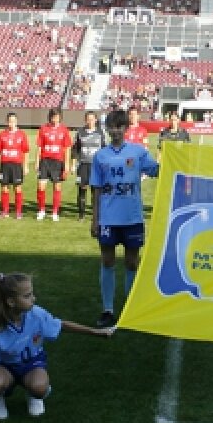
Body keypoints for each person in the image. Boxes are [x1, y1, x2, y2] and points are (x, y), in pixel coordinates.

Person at [0, 272, 112, 423]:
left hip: (32, 364)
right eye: (28, 295)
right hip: (4, 367)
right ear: (11, 302)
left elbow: (61, 325)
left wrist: (95, 332)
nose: (33, 298)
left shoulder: (36, 314)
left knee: (39, 388)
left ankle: (34, 395)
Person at [90, 108, 160, 328]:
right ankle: (108, 309)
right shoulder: (101, 156)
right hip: (109, 219)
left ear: (126, 128)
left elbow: (157, 170)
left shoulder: (138, 152)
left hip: (132, 217)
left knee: (132, 262)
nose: (116, 131)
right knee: (108, 261)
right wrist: (95, 219)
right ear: (108, 129)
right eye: (112, 127)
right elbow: (97, 189)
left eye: (120, 126)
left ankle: (130, 309)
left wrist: (175, 157)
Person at [36, 108, 72, 221]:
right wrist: (37, 162)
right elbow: (39, 147)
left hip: (58, 162)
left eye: (57, 116)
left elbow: (67, 148)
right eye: (53, 116)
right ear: (50, 117)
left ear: (60, 117)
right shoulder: (43, 128)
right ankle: (41, 210)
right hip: (45, 161)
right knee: (41, 186)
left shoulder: (64, 130)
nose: (55, 119)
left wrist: (66, 164)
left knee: (57, 186)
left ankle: (55, 212)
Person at [0, 112, 30, 219]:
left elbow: (26, 151)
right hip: (4, 165)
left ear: (16, 122)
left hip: (17, 165)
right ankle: (4, 211)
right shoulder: (2, 134)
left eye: (14, 121)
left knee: (17, 188)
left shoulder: (22, 134)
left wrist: (26, 166)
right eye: (10, 121)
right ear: (7, 122)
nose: (12, 123)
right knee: (4, 188)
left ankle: (18, 212)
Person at [71, 111, 104, 221]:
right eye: (88, 119)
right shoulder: (80, 132)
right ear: (85, 120)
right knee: (82, 189)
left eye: (92, 119)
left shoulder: (101, 132)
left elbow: (104, 149)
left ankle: (96, 215)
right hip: (83, 165)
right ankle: (81, 214)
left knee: (95, 191)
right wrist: (73, 163)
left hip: (96, 166)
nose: (90, 121)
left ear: (95, 120)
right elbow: (75, 149)